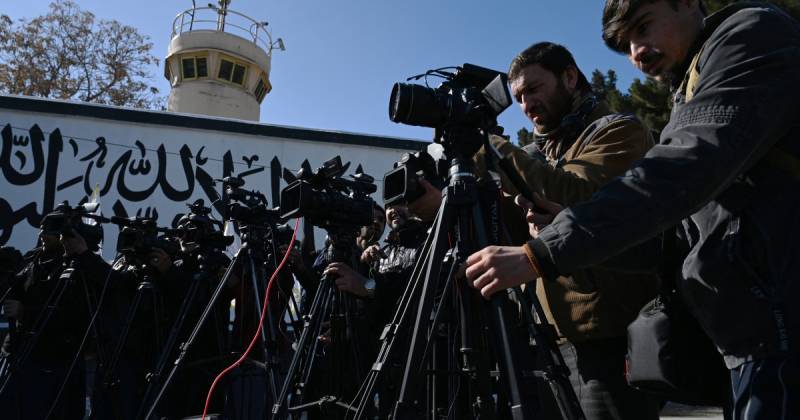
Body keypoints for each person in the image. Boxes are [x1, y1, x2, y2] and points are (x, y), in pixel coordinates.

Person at [465, 1, 800, 418]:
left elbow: (678, 172)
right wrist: (553, 233)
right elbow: (671, 238)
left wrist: (543, 252)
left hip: (779, 323)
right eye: (626, 45)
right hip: (746, 335)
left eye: (643, 28)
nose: (637, 52)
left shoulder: (752, 35)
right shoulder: (688, 92)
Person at [0, 222, 110, 420]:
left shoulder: (80, 267)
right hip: (20, 353)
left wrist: (25, 313)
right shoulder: (34, 260)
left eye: (51, 231)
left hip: (54, 362)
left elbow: (73, 314)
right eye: (42, 230)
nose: (44, 235)